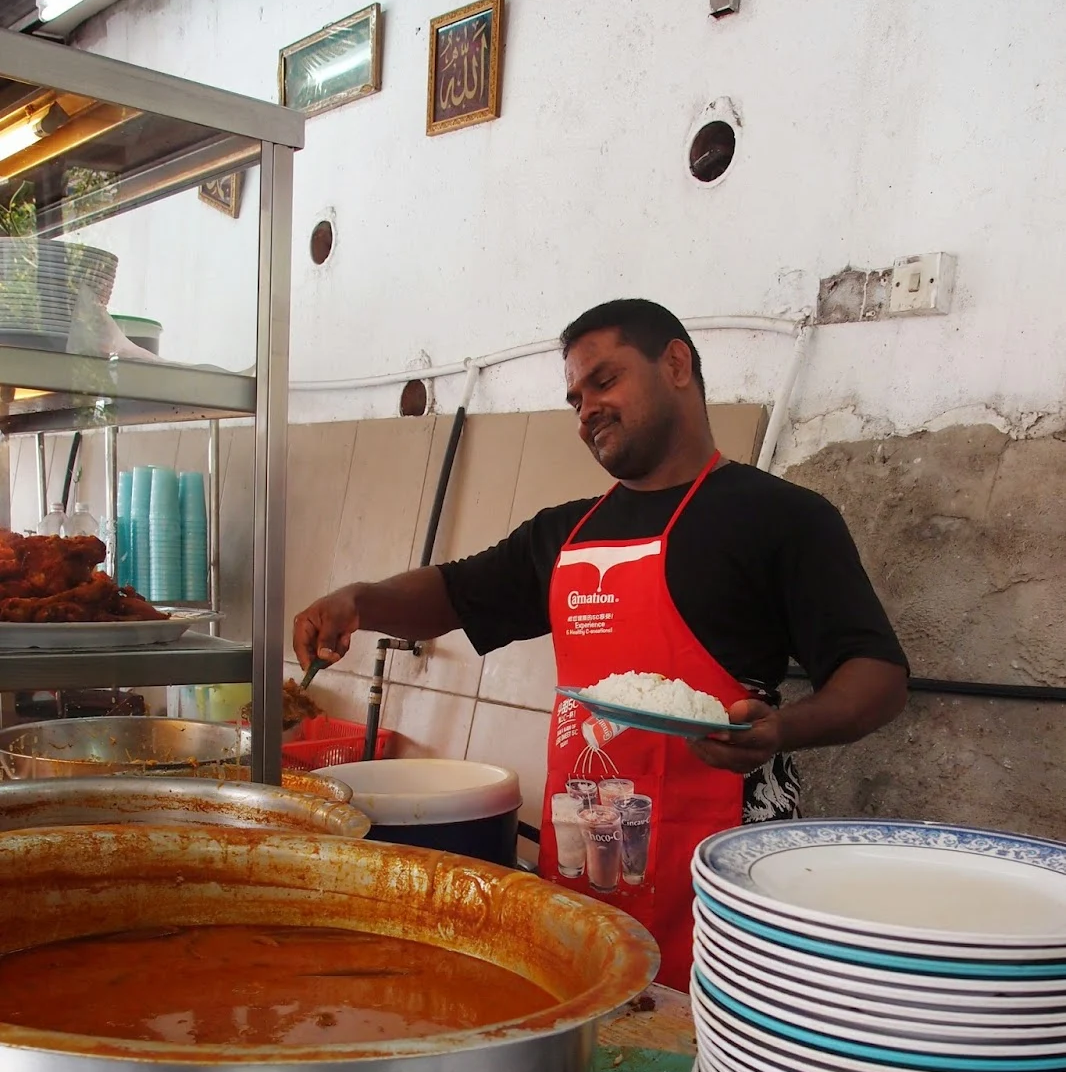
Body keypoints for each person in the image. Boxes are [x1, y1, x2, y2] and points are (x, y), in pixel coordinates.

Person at [294, 298, 908, 991]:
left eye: (605, 381)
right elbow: (453, 593)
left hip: (723, 881)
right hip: (587, 868)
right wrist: (361, 599)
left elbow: (878, 675)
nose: (586, 409)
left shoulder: (782, 517)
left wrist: (782, 728)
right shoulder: (565, 533)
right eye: (575, 398)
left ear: (675, 364)